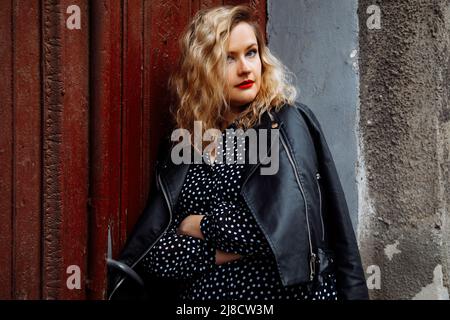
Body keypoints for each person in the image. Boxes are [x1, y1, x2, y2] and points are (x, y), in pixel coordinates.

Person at [107, 5, 369, 301]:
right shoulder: (187, 144)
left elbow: (274, 229)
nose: (245, 68)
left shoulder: (283, 124)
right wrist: (223, 249)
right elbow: (158, 254)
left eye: (251, 52)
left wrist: (196, 224)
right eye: (228, 58)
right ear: (204, 68)